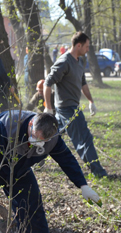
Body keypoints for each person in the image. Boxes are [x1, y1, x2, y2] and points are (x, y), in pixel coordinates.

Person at [0, 111, 101, 233]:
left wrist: (82, 185)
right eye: (34, 137)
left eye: (41, 141)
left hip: (19, 170)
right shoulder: (6, 125)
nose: (35, 142)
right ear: (30, 124)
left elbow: (67, 160)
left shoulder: (53, 139)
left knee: (32, 208)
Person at [43, 31, 108, 178]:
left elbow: (83, 84)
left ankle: (33, 157)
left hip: (70, 107)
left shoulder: (80, 61)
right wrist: (48, 106)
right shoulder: (64, 61)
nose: (88, 49)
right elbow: (48, 82)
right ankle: (98, 172)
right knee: (85, 138)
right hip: (66, 108)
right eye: (86, 46)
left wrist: (91, 101)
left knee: (50, 136)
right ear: (78, 45)